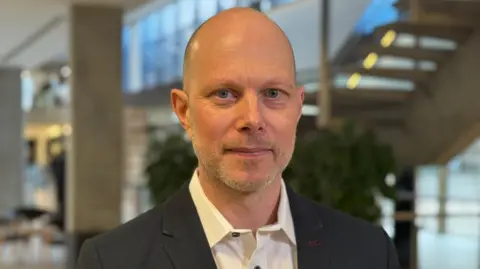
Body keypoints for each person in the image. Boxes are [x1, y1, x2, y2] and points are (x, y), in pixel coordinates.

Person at [76, 7, 400, 269]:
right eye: (225, 94)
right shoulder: (114, 261)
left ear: (298, 107)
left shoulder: (368, 252)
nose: (252, 120)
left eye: (273, 93)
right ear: (184, 111)